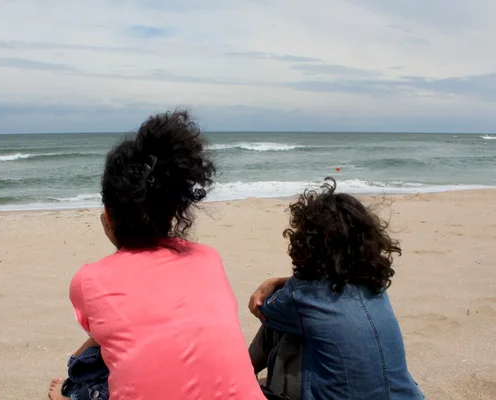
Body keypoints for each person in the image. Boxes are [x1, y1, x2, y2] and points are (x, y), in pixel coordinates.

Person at [48, 111, 266, 400]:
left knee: (87, 366)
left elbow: (102, 336)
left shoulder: (89, 280)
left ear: (107, 219)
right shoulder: (208, 258)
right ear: (174, 211)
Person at [248, 178, 425, 399]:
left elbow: (260, 307)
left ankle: (241, 377)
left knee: (278, 326)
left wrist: (271, 283)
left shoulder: (303, 296)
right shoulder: (375, 287)